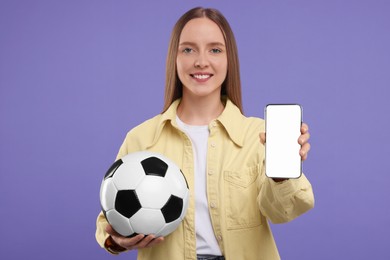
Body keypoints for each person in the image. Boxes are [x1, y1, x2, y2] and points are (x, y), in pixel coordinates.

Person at [95, 7, 314, 260]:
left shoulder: (260, 136)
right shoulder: (141, 138)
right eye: (188, 49)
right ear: (174, 59)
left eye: (215, 49)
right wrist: (117, 241)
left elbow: (285, 212)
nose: (201, 61)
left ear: (229, 59)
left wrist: (281, 176)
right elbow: (108, 220)